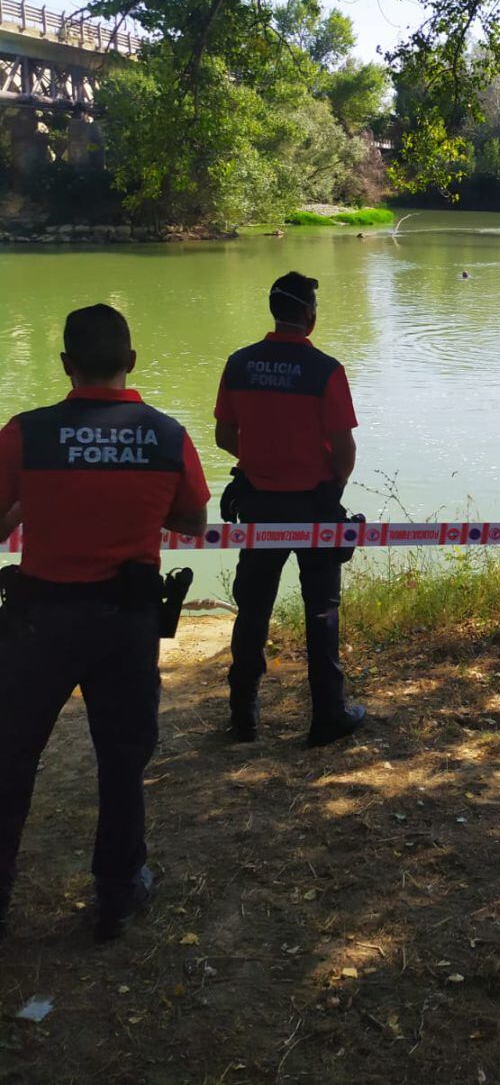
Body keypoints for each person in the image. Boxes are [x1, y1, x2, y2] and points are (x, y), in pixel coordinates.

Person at [0, 305, 209, 942]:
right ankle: (117, 895)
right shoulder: (167, 434)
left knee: (9, 760)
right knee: (121, 761)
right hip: (126, 623)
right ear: (132, 361)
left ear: (66, 365)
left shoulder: (24, 433)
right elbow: (195, 523)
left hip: (39, 621)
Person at [214, 272, 366, 747]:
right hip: (316, 504)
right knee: (321, 609)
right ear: (310, 317)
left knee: (253, 608)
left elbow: (223, 435)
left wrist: (261, 460)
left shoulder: (240, 364)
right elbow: (344, 449)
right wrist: (329, 485)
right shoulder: (325, 370)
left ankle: (243, 717)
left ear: (274, 311)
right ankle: (327, 716)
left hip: (259, 503)